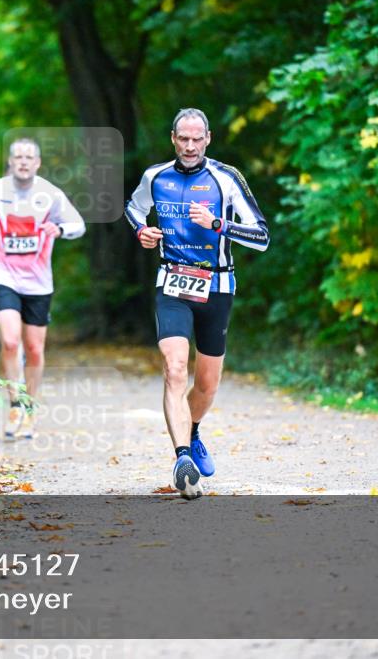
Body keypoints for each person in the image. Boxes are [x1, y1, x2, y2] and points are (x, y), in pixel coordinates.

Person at [124, 108, 270, 498]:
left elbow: (262, 236)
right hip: (172, 282)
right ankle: (183, 459)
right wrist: (142, 231)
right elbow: (132, 208)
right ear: (173, 138)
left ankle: (193, 429)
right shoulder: (155, 177)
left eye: (197, 139)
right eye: (183, 139)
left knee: (206, 386)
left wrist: (217, 224)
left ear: (208, 139)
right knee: (174, 369)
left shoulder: (226, 178)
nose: (190, 146)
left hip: (217, 287)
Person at [0, 138, 85, 440]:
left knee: (34, 349)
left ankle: (30, 407)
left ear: (37, 163)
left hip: (38, 281)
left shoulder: (50, 194)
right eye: (18, 156)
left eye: (29, 157)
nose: (23, 161)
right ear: (10, 161)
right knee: (10, 341)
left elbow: (78, 224)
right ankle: (14, 404)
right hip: (2, 274)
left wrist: (59, 229)